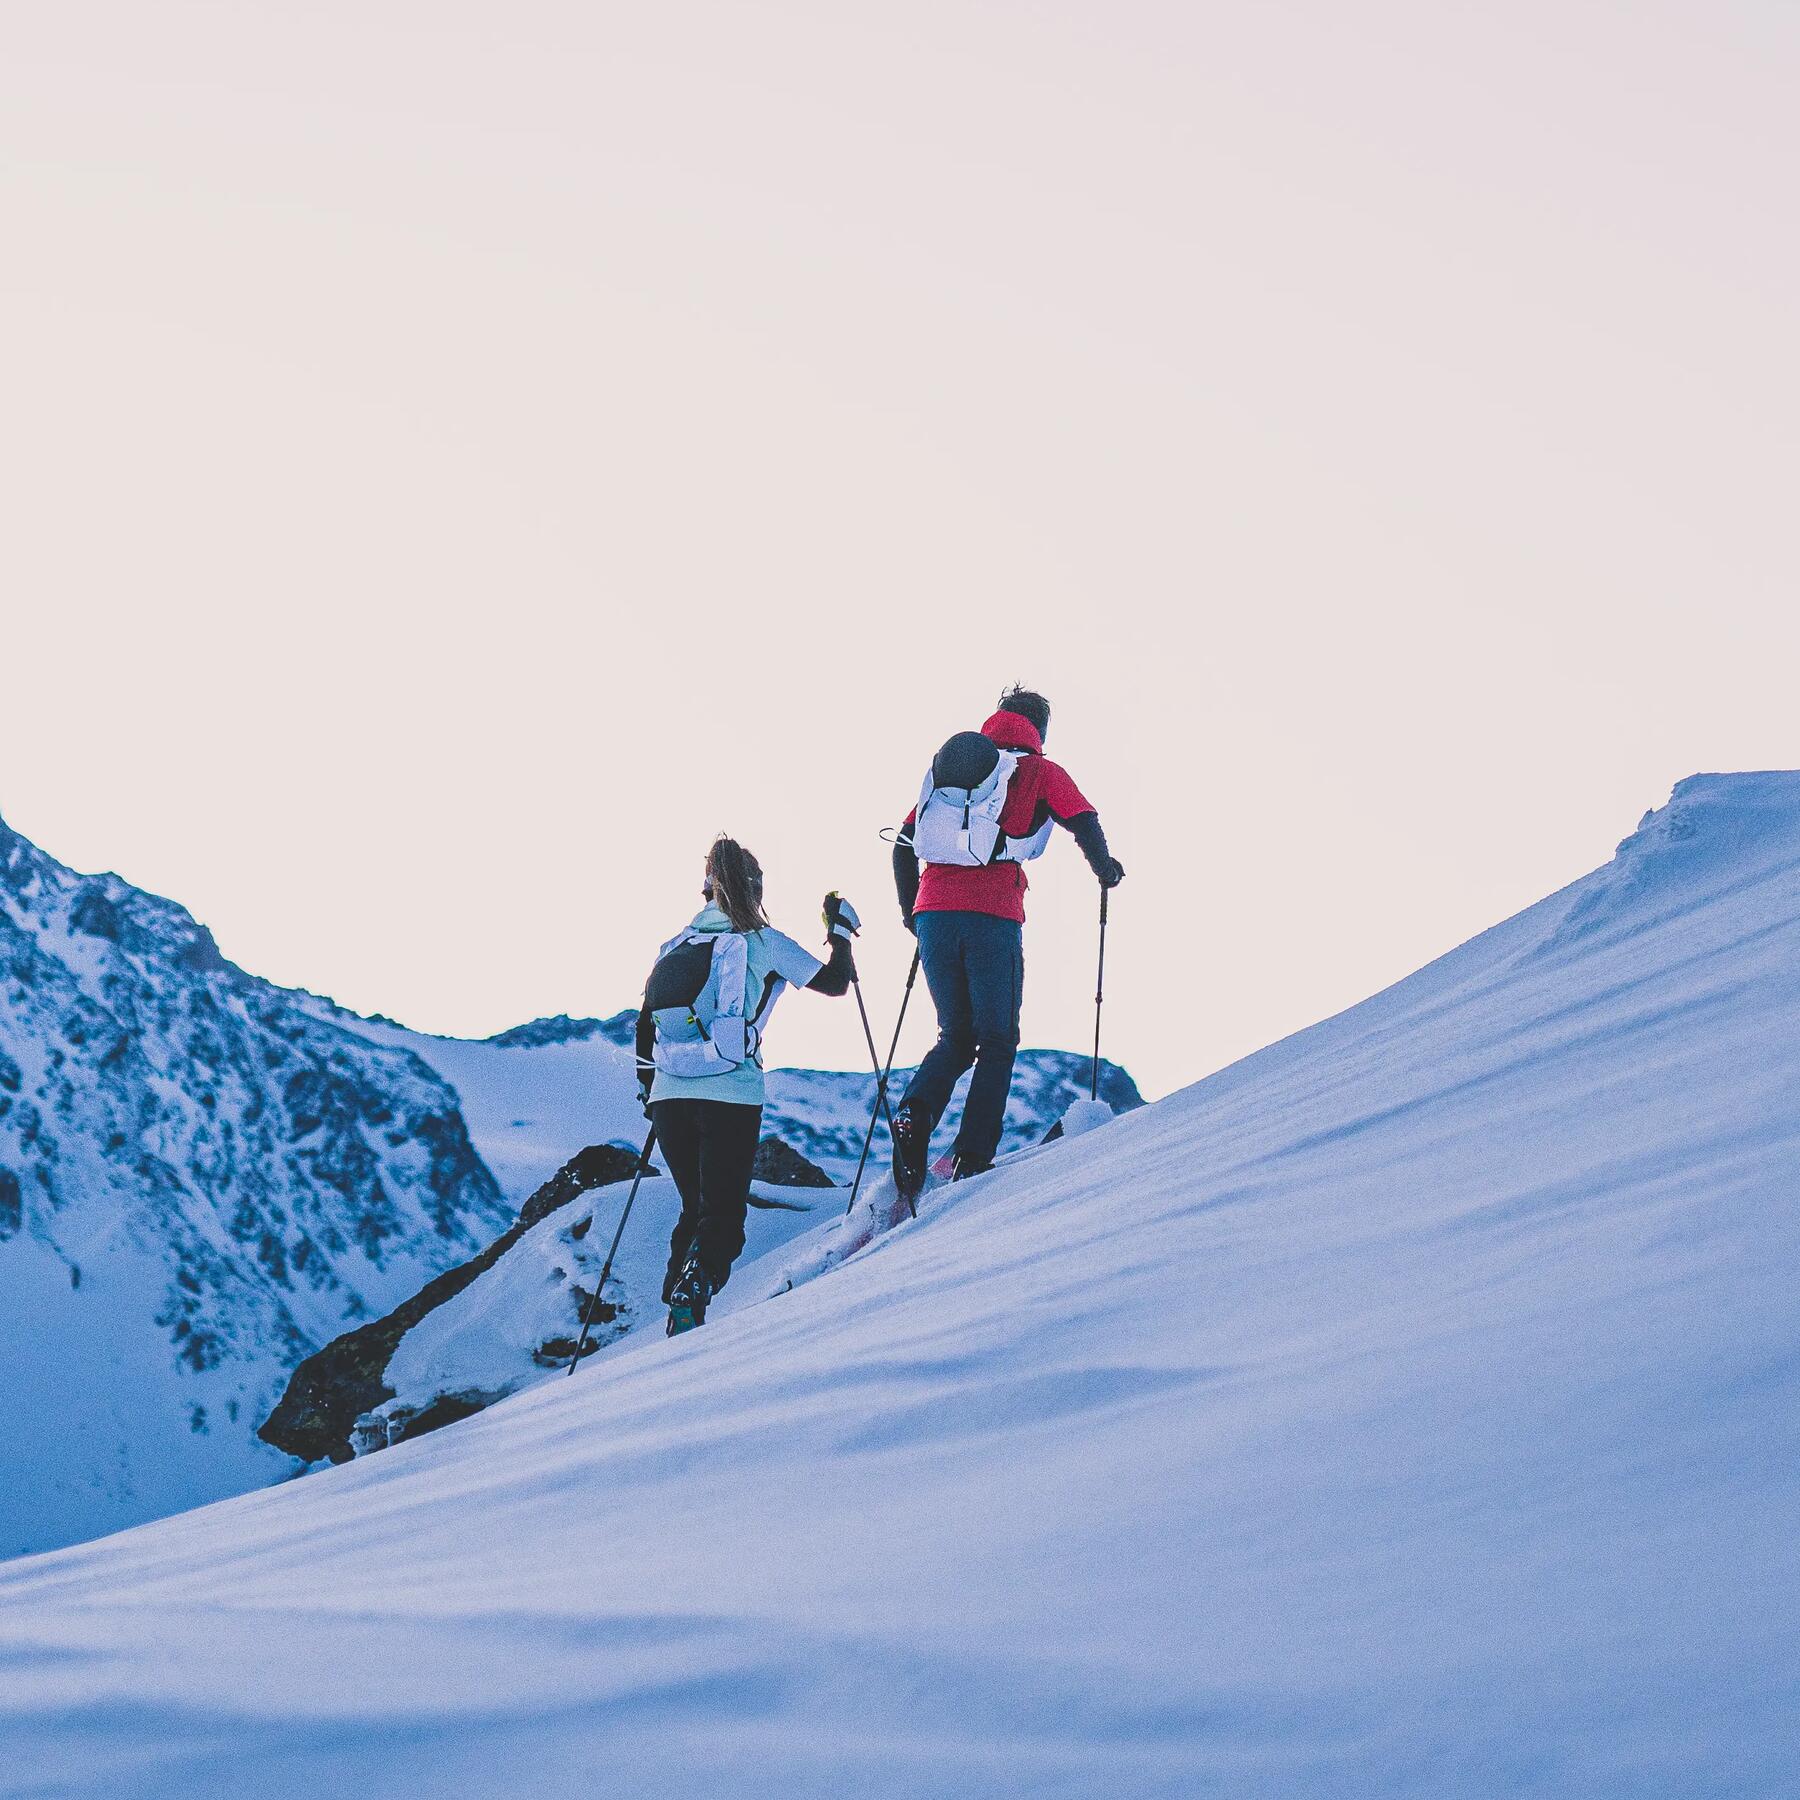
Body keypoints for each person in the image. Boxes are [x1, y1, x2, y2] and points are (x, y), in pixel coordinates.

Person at [889, 686, 1123, 1197]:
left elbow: (903, 848)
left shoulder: (952, 771)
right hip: (992, 916)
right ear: (1038, 729)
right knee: (996, 1039)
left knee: (955, 1036)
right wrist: (1104, 869)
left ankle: (914, 1113)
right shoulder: (1039, 770)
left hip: (934, 914)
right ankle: (972, 1155)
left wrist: (914, 914)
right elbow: (1083, 817)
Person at [634, 836, 859, 1334]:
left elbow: (645, 1024)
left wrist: (648, 1091)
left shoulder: (674, 946)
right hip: (730, 1095)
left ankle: (678, 1313)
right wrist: (839, 932)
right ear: (755, 888)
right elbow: (836, 983)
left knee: (693, 1208)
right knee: (723, 1217)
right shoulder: (764, 942)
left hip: (669, 1096)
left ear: (706, 891)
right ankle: (695, 1289)